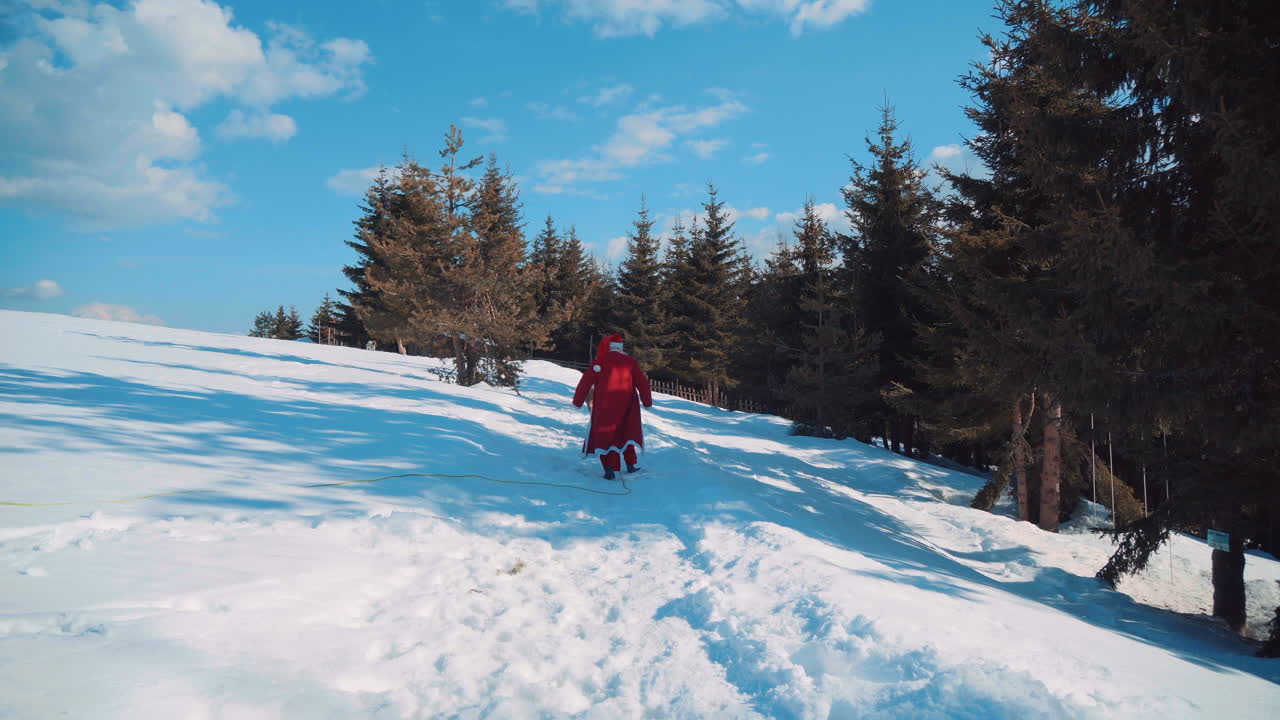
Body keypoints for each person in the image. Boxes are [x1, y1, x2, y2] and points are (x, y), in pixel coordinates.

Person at [573, 333, 653, 480]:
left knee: (606, 437)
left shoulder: (600, 362)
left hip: (604, 408)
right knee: (625, 433)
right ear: (620, 348)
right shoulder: (630, 361)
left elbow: (585, 382)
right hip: (627, 408)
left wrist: (577, 402)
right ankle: (631, 465)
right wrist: (647, 402)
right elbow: (642, 383)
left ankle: (610, 469)